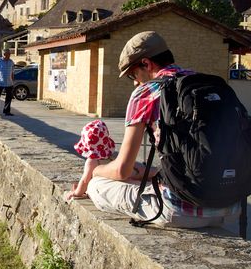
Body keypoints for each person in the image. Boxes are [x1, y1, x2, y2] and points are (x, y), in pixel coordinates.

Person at [85, 31, 241, 228]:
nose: (134, 82)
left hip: (178, 210)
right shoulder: (204, 83)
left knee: (97, 186)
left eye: (133, 74)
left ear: (146, 64)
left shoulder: (145, 92)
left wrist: (96, 170)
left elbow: (122, 170)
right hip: (231, 207)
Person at [64, 120, 115, 201]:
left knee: (81, 186)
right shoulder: (111, 157)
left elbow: (85, 181)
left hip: (100, 190)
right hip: (112, 189)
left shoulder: (92, 162)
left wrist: (76, 193)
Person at [0, 48, 15, 116]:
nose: (9, 55)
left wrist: (13, 81)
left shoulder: (11, 62)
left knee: (9, 98)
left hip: (9, 82)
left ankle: (6, 111)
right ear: (4, 54)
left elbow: (12, 72)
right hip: (0, 82)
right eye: (8, 54)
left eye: (10, 54)